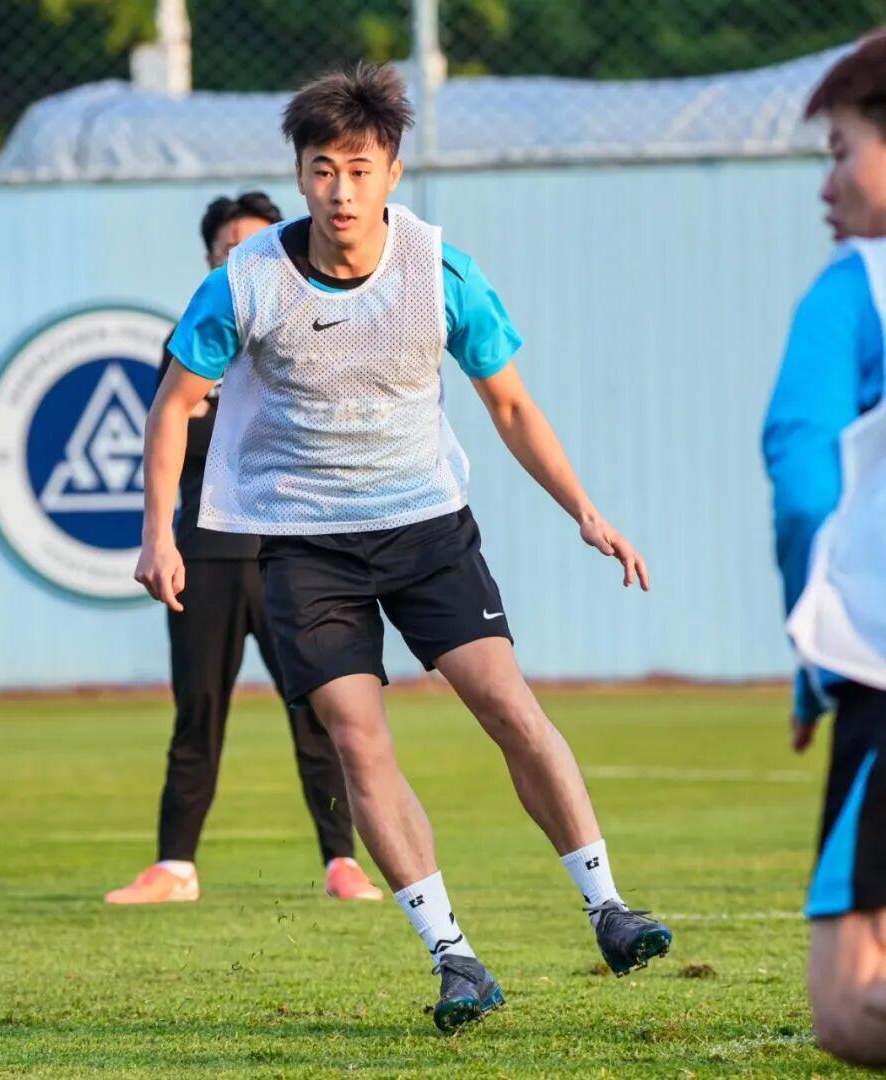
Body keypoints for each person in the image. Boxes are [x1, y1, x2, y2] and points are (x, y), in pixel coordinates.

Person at [137, 65, 671, 1031]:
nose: (341, 190)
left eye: (360, 169)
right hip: (303, 543)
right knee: (357, 737)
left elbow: (512, 406)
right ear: (299, 177)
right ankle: (454, 958)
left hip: (426, 527)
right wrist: (156, 538)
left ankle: (609, 907)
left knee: (507, 705)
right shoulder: (245, 281)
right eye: (322, 169)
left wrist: (584, 511)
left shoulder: (440, 270)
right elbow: (174, 404)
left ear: (392, 172)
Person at [107, 192, 382, 906]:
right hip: (205, 558)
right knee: (198, 713)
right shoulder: (195, 340)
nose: (244, 258)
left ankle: (343, 862)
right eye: (229, 247)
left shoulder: (306, 332)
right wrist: (159, 536)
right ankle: (175, 867)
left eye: (257, 244)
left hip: (294, 555)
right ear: (210, 259)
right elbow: (175, 431)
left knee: (321, 712)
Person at [762, 31, 886, 1068]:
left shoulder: (858, 288)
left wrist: (819, 643)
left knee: (850, 1007)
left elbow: (803, 479)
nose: (826, 184)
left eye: (841, 150)